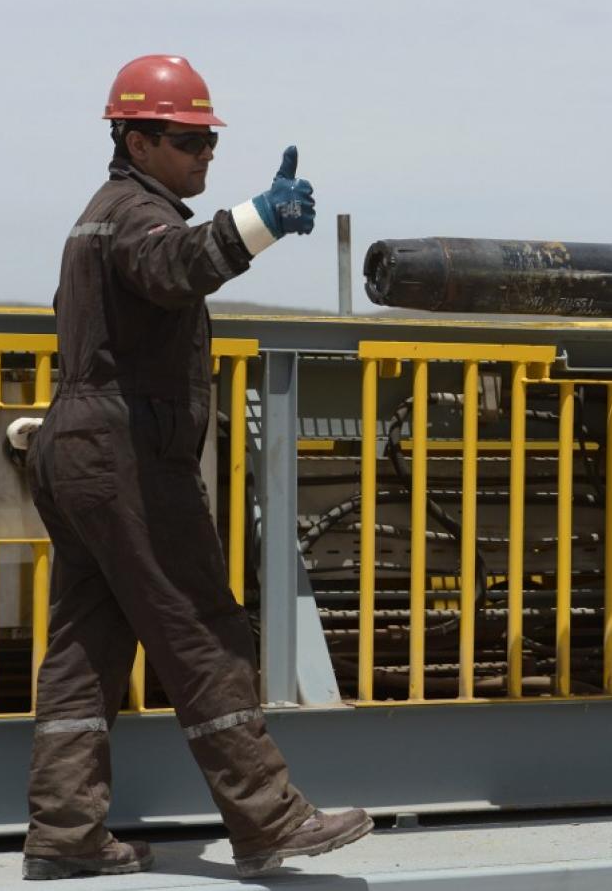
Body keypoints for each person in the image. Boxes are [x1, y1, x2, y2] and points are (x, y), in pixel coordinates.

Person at [20, 54, 371, 881]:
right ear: (136, 141)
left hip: (77, 451)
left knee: (85, 643)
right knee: (203, 627)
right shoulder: (135, 217)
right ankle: (268, 817)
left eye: (209, 141)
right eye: (187, 141)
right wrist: (260, 220)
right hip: (128, 459)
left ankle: (65, 831)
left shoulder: (96, 216)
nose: (204, 154)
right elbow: (175, 265)